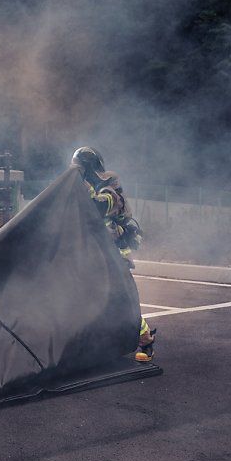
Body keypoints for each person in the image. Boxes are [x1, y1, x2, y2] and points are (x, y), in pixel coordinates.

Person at [72, 146, 156, 363]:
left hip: (115, 255)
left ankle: (146, 341)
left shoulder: (110, 184)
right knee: (87, 299)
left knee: (123, 301)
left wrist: (85, 187)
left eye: (81, 168)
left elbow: (103, 206)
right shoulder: (79, 187)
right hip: (92, 257)